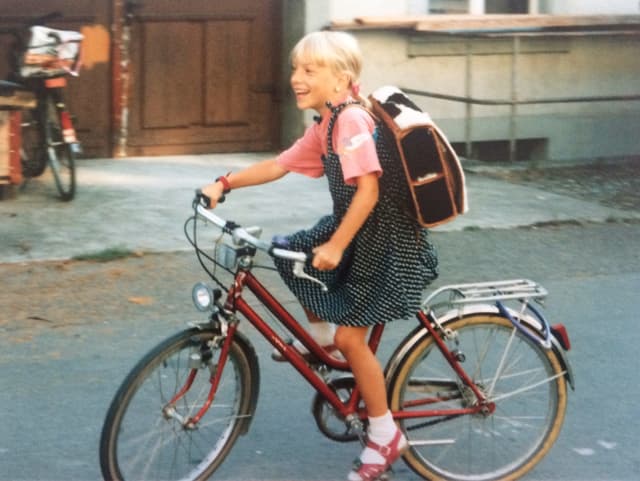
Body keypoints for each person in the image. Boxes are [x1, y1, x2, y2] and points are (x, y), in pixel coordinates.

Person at [202, 30, 438, 481]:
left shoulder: (350, 121)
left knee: (354, 339)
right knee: (290, 253)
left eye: (310, 70)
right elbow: (278, 165)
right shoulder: (326, 124)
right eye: (295, 68)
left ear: (341, 79)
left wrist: (335, 245)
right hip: (355, 225)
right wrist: (224, 183)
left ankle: (385, 434)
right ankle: (326, 344)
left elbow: (368, 190)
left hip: (384, 237)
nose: (296, 77)